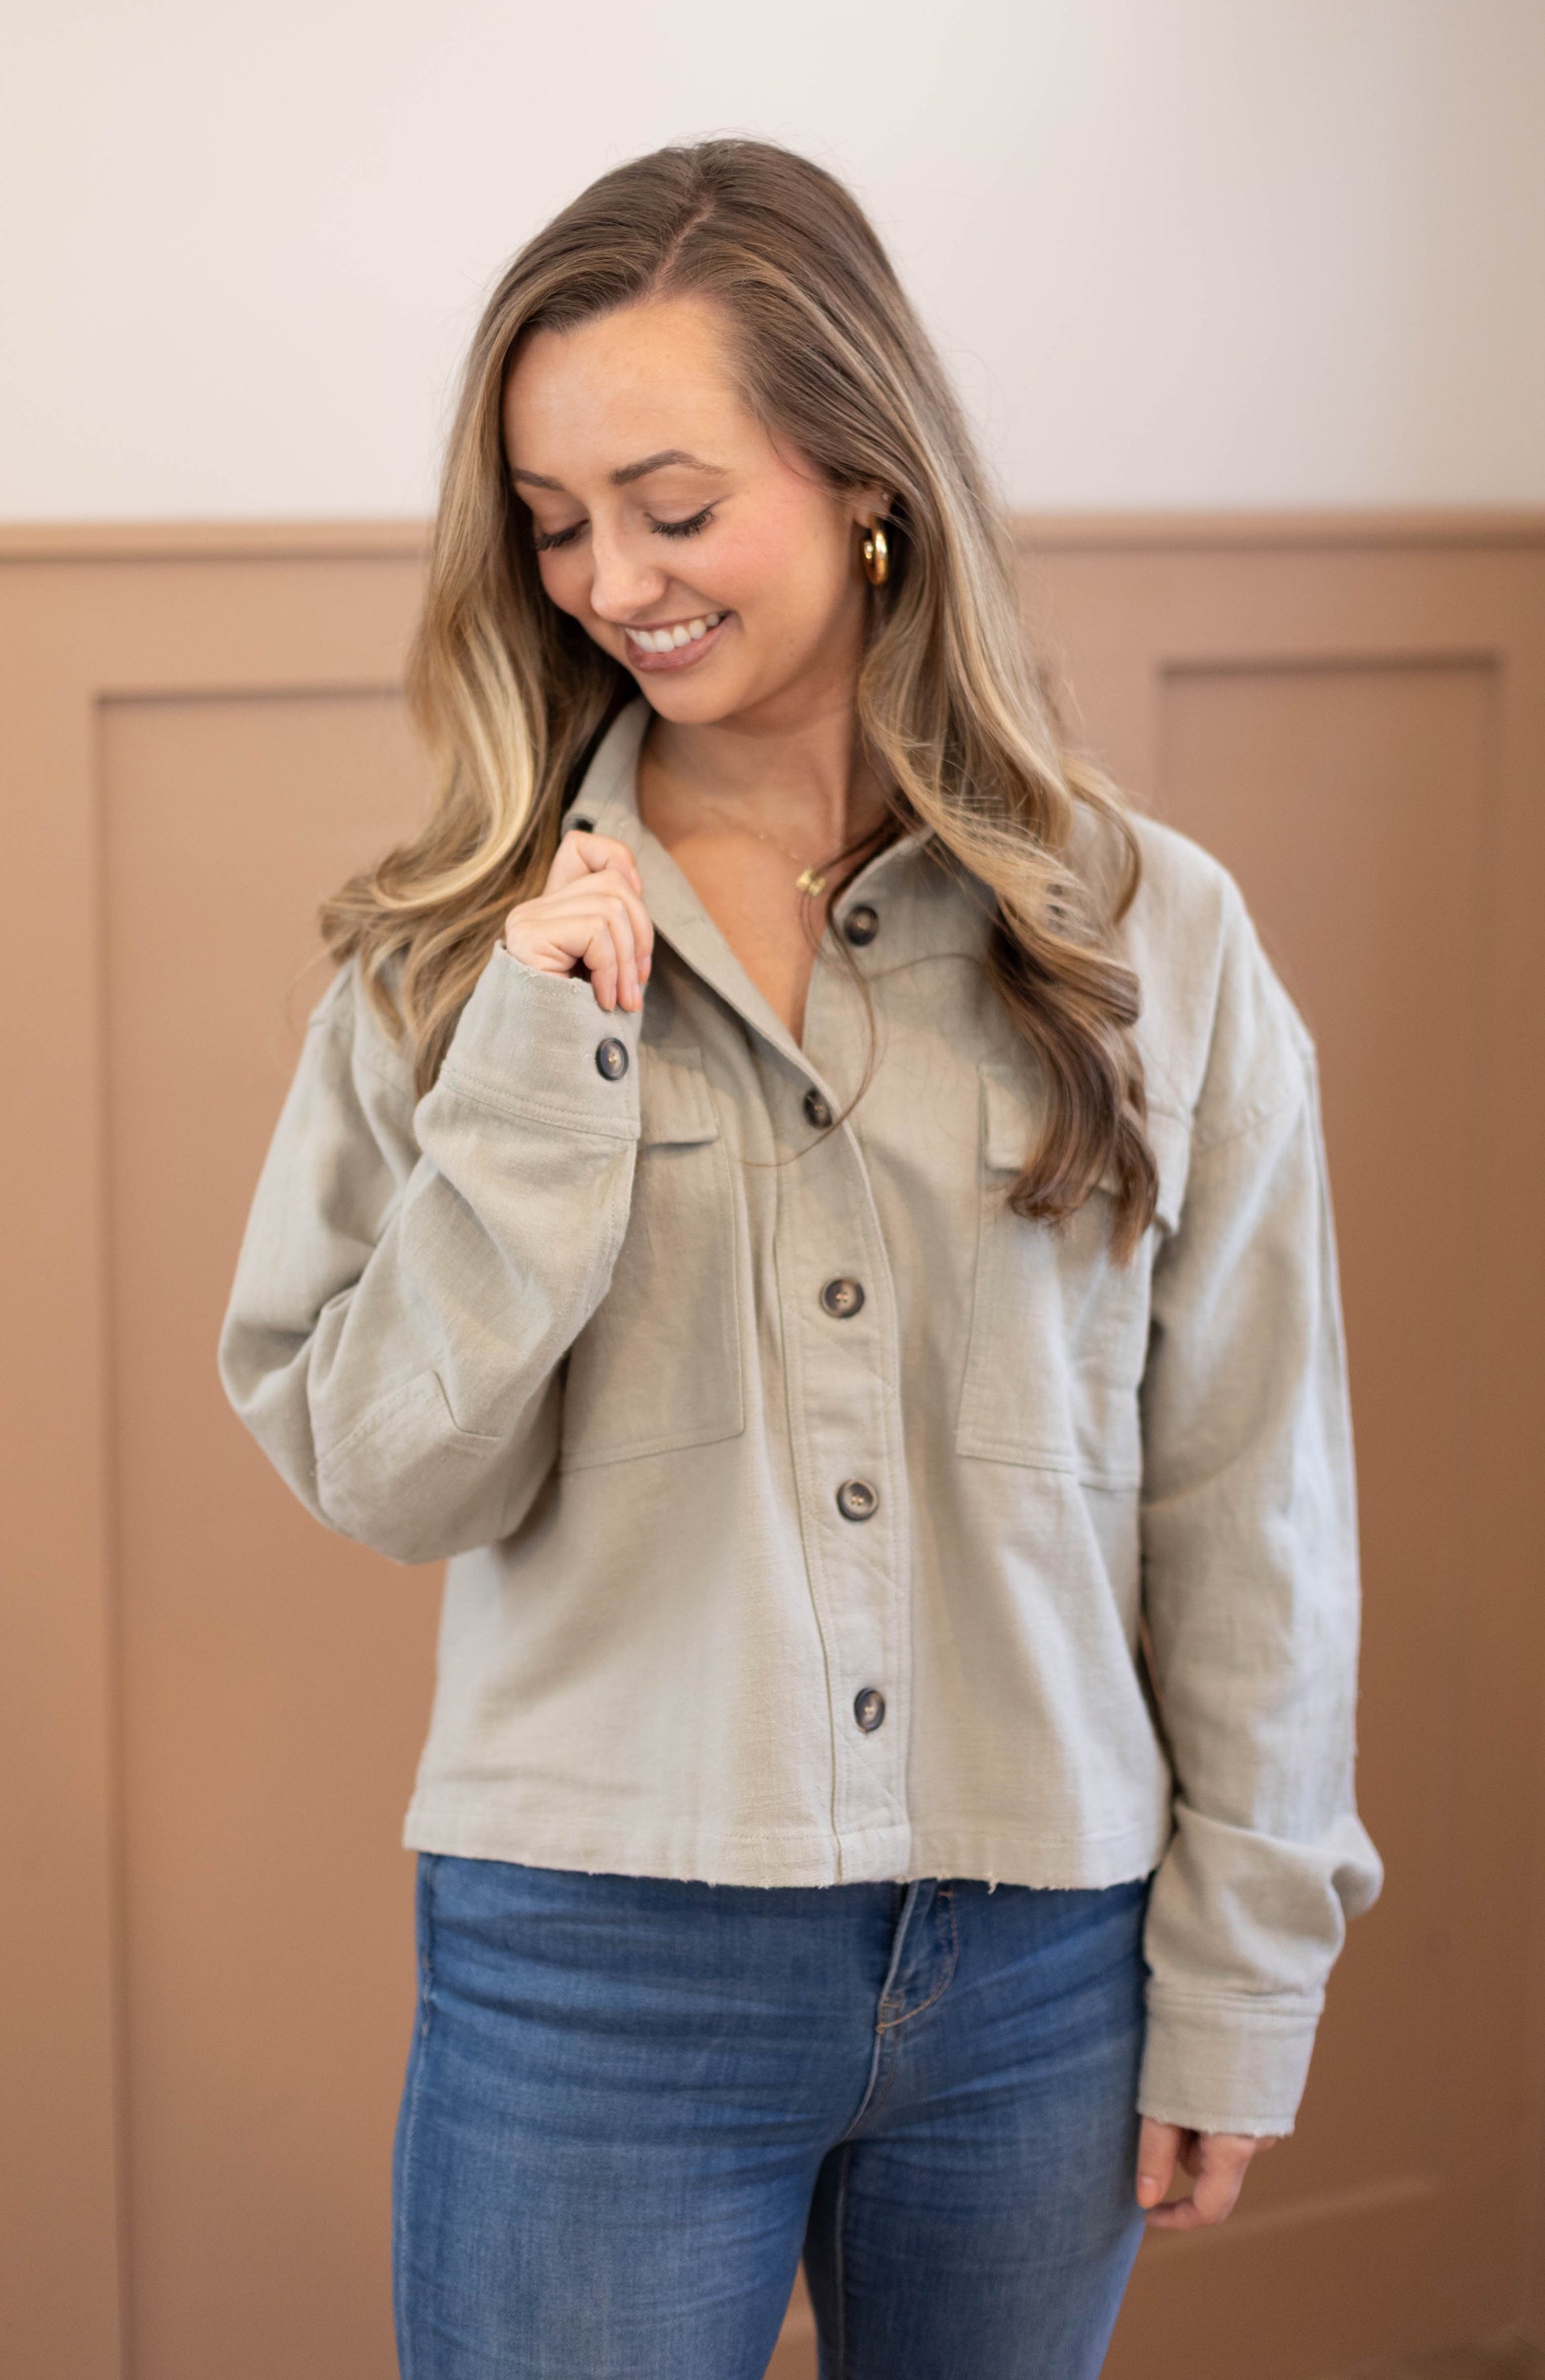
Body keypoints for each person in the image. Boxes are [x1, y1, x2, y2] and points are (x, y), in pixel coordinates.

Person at [219, 138, 1381, 2380]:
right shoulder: (455, 947)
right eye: (553, 522)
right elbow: (386, 1470)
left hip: (1049, 1962)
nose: (607, 579)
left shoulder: (1149, 932)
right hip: (593, 1966)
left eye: (670, 503)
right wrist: (542, 1081)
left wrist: (1243, 1971)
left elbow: (1251, 1492)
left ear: (862, 475)